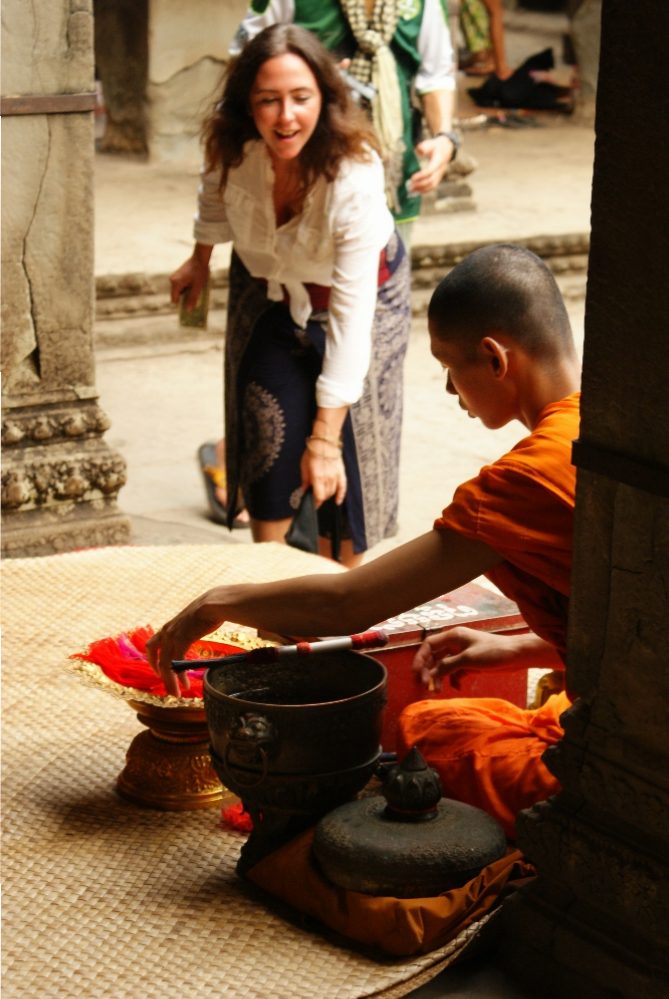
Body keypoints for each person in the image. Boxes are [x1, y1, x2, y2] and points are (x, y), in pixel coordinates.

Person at [149, 243, 581, 840]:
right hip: (632, 706)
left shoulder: (525, 480)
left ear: (495, 358)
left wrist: (217, 601)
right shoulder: (605, 425)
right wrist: (513, 650)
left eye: (449, 369)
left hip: (632, 750)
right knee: (457, 719)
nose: (453, 392)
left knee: (424, 738)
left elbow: (347, 604)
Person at [173, 25, 411, 568]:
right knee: (266, 437)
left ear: (324, 99)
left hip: (359, 301)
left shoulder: (353, 175)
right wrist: (200, 257)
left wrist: (324, 442)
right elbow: (212, 198)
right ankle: (273, 581)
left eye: (301, 98)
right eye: (268, 100)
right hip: (271, 293)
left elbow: (352, 323)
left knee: (346, 462)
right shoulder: (232, 144)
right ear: (246, 106)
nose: (285, 117)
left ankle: (341, 598)